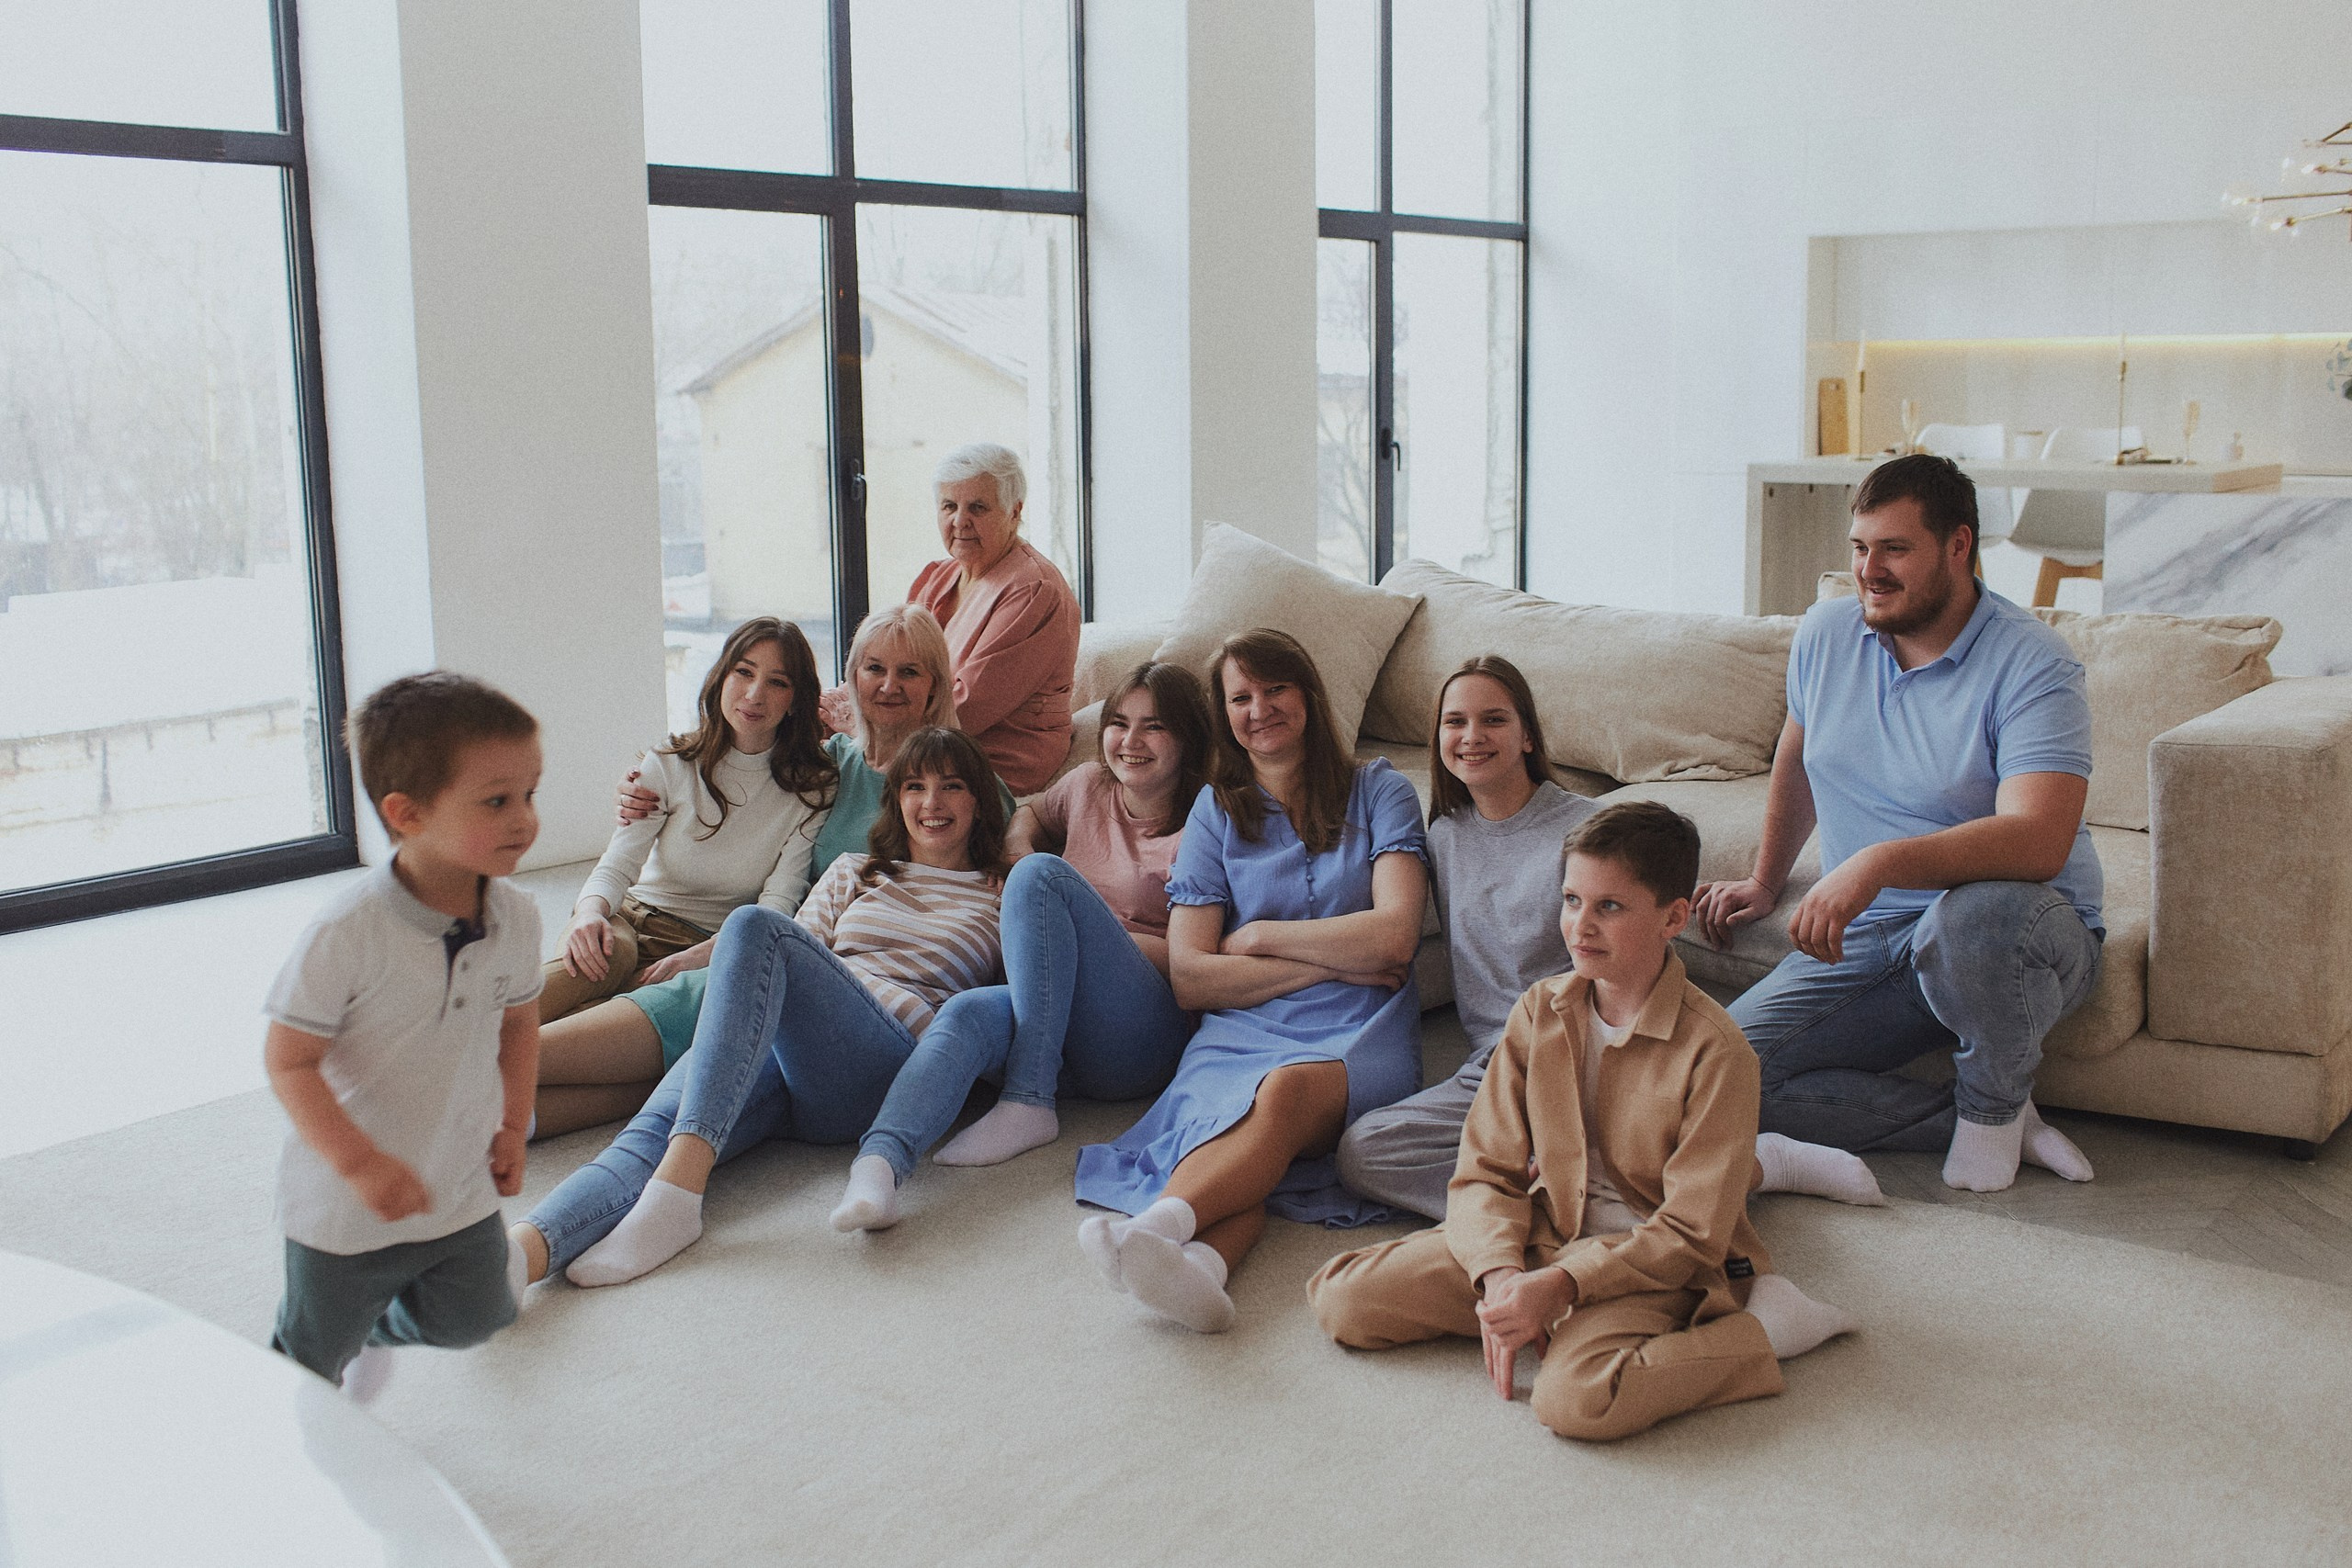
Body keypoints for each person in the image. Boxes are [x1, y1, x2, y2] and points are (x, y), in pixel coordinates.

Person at [1307, 803, 1857, 1442]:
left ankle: (1766, 1330)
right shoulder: (1540, 1011)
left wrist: (1567, 1283)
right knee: (1341, 1297)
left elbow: (1691, 1235)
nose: (1580, 926)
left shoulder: (1720, 1052)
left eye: (1610, 907)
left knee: (1577, 1400)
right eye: (1572, 900)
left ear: (1674, 918)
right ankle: (1542, 1311)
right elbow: (1485, 1167)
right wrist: (1502, 1274)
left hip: (1647, 1263)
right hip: (1546, 1229)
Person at [1338, 657, 1883, 1218]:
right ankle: (1581, 1193)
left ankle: (1746, 1166)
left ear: (1527, 735)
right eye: (1454, 722)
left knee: (1637, 1153)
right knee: (1367, 1152)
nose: (1472, 737)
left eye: (1494, 720)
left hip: (1590, 1055)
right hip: (1498, 1069)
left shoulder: (1585, 831)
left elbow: (1638, 954)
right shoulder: (1446, 837)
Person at [1693, 453, 2105, 1194]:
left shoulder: (2034, 662)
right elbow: (1799, 752)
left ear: (1958, 545)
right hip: (1875, 940)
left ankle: (1989, 1121)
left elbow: (2039, 841)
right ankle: (1993, 1113)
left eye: (1894, 549)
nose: (1869, 571)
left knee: (1973, 913)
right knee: (1720, 1079)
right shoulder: (1826, 633)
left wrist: (1876, 862)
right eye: (1859, 548)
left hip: (2020, 934)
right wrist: (1765, 877)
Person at [511, 727, 1011, 1290]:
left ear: (980, 801)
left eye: (953, 786)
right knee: (651, 1133)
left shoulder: (1003, 893)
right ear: (895, 798)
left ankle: (678, 1194)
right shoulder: (854, 869)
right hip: (789, 1053)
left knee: (753, 925)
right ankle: (523, 1254)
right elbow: (794, 957)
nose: (932, 803)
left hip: (879, 1063)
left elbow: (1005, 1015)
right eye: (915, 786)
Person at [1072, 628, 1428, 1334]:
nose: (1259, 708)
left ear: (1309, 695)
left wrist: (1262, 937)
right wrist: (1329, 955)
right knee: (1234, 1137)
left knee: (1283, 1094)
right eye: (1240, 697)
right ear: (1225, 715)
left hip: (1362, 1020)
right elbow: (1194, 977)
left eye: (1274, 689)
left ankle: (1158, 1223)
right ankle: (1201, 1270)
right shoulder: (1215, 810)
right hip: (1244, 1023)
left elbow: (1394, 934)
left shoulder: (1380, 789)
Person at [531, 604, 972, 1139]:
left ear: (936, 684)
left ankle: (482, 1097)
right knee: (602, 957)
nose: (888, 685)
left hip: (797, 954)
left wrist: (1024, 837)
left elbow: (998, 859)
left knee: (687, 1038)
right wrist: (592, 902)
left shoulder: (940, 779)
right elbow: (627, 853)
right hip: (669, 922)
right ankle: (458, 1055)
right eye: (874, 668)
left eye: (910, 672)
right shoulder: (829, 762)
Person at [833, 660, 1216, 1230]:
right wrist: (1014, 850)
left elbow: (1197, 960)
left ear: (1188, 740)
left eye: (1154, 727)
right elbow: (1032, 809)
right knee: (965, 1009)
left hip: (1140, 1034)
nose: (1130, 741)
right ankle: (880, 1167)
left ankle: (1029, 1101)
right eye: (1118, 722)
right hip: (1055, 1017)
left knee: (1041, 878)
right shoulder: (1088, 786)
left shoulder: (1211, 821)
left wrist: (1077, 937)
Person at [262, 673, 544, 1401]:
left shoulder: (517, 917)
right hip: (342, 1208)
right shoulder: (345, 932)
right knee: (306, 1363)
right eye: (497, 800)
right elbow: (288, 1059)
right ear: (407, 813)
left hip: (456, 1183)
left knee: (479, 1316)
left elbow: (518, 1024)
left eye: (530, 794)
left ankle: (376, 1330)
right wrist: (360, 1164)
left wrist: (515, 1123)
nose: (525, 819)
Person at [535, 617, 833, 1036]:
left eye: (777, 682)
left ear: (796, 701)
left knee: (593, 1034)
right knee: (602, 955)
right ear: (721, 675)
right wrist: (588, 913)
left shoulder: (812, 789)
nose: (754, 694)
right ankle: (461, 1039)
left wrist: (704, 955)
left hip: (707, 946)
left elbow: (779, 900)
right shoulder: (670, 760)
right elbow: (619, 861)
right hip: (632, 919)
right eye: (743, 672)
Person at [854, 442, 1080, 794]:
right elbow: (888, 660)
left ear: (1014, 512)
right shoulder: (940, 576)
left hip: (986, 764)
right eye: (949, 506)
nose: (960, 521)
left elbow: (965, 708)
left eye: (978, 507)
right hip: (923, 745)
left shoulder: (1034, 589)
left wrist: (858, 720)